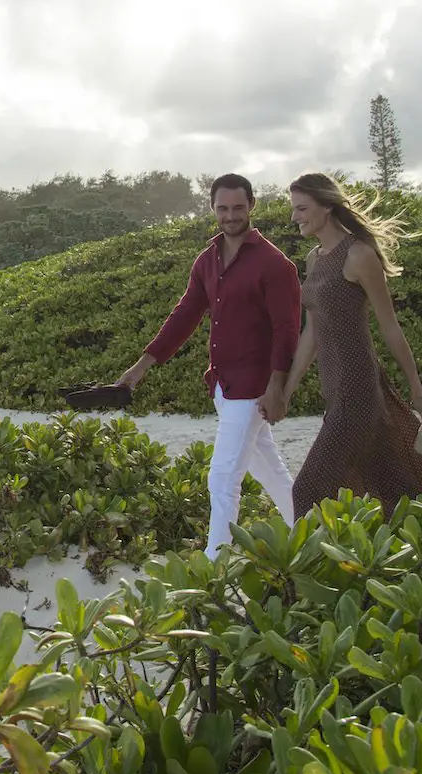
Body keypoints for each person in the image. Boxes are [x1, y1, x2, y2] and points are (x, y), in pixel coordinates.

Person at [114, 174, 299, 559]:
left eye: (237, 207)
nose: (230, 216)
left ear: (252, 205)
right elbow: (184, 316)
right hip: (222, 386)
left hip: (252, 388)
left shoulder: (274, 265)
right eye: (222, 208)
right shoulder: (208, 260)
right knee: (270, 471)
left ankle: (216, 567)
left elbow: (287, 330)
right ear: (212, 208)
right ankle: (313, 528)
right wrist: (141, 366)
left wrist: (278, 387)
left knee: (222, 479)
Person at [261, 172, 422, 516]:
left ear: (326, 207)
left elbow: (390, 329)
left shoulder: (358, 255)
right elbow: (311, 335)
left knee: (308, 492)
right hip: (337, 392)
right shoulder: (315, 259)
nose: (294, 217)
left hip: (358, 393)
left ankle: (313, 567)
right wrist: (286, 390)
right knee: (396, 492)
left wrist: (418, 394)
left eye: (301, 208)